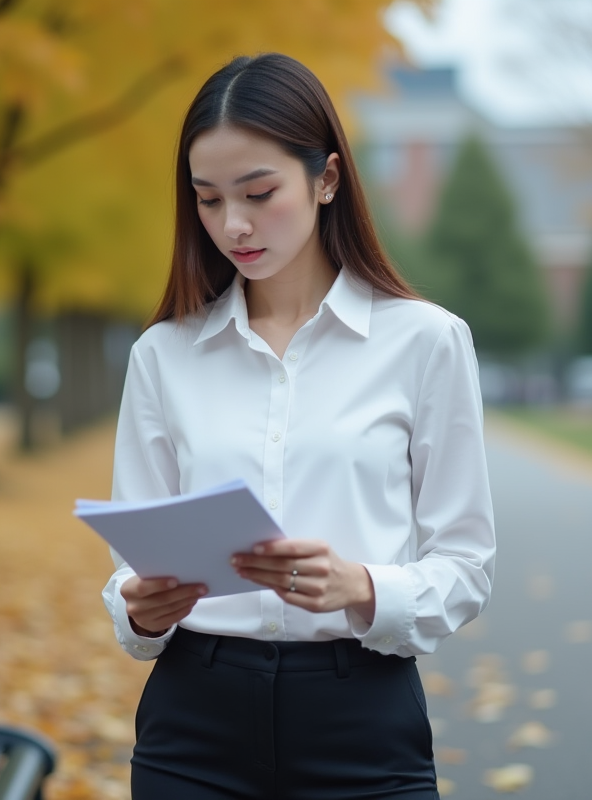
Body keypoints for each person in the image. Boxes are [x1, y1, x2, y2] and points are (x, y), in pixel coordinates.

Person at [101, 53, 496, 799]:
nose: (234, 225)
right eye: (208, 200)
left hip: (362, 720)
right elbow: (131, 566)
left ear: (327, 179)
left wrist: (361, 585)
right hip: (194, 723)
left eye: (258, 192)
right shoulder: (164, 355)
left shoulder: (426, 342)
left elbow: (467, 564)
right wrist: (138, 609)